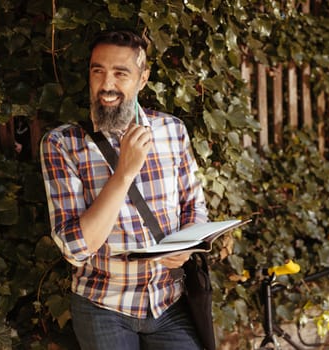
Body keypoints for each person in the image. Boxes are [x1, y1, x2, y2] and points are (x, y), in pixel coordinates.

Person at [40, 30, 208, 349]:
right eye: (98, 71)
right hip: (103, 306)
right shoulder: (62, 144)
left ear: (143, 78)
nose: (106, 85)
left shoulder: (172, 131)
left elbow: (194, 207)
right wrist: (125, 171)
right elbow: (75, 249)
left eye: (121, 73)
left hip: (169, 301)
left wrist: (186, 245)